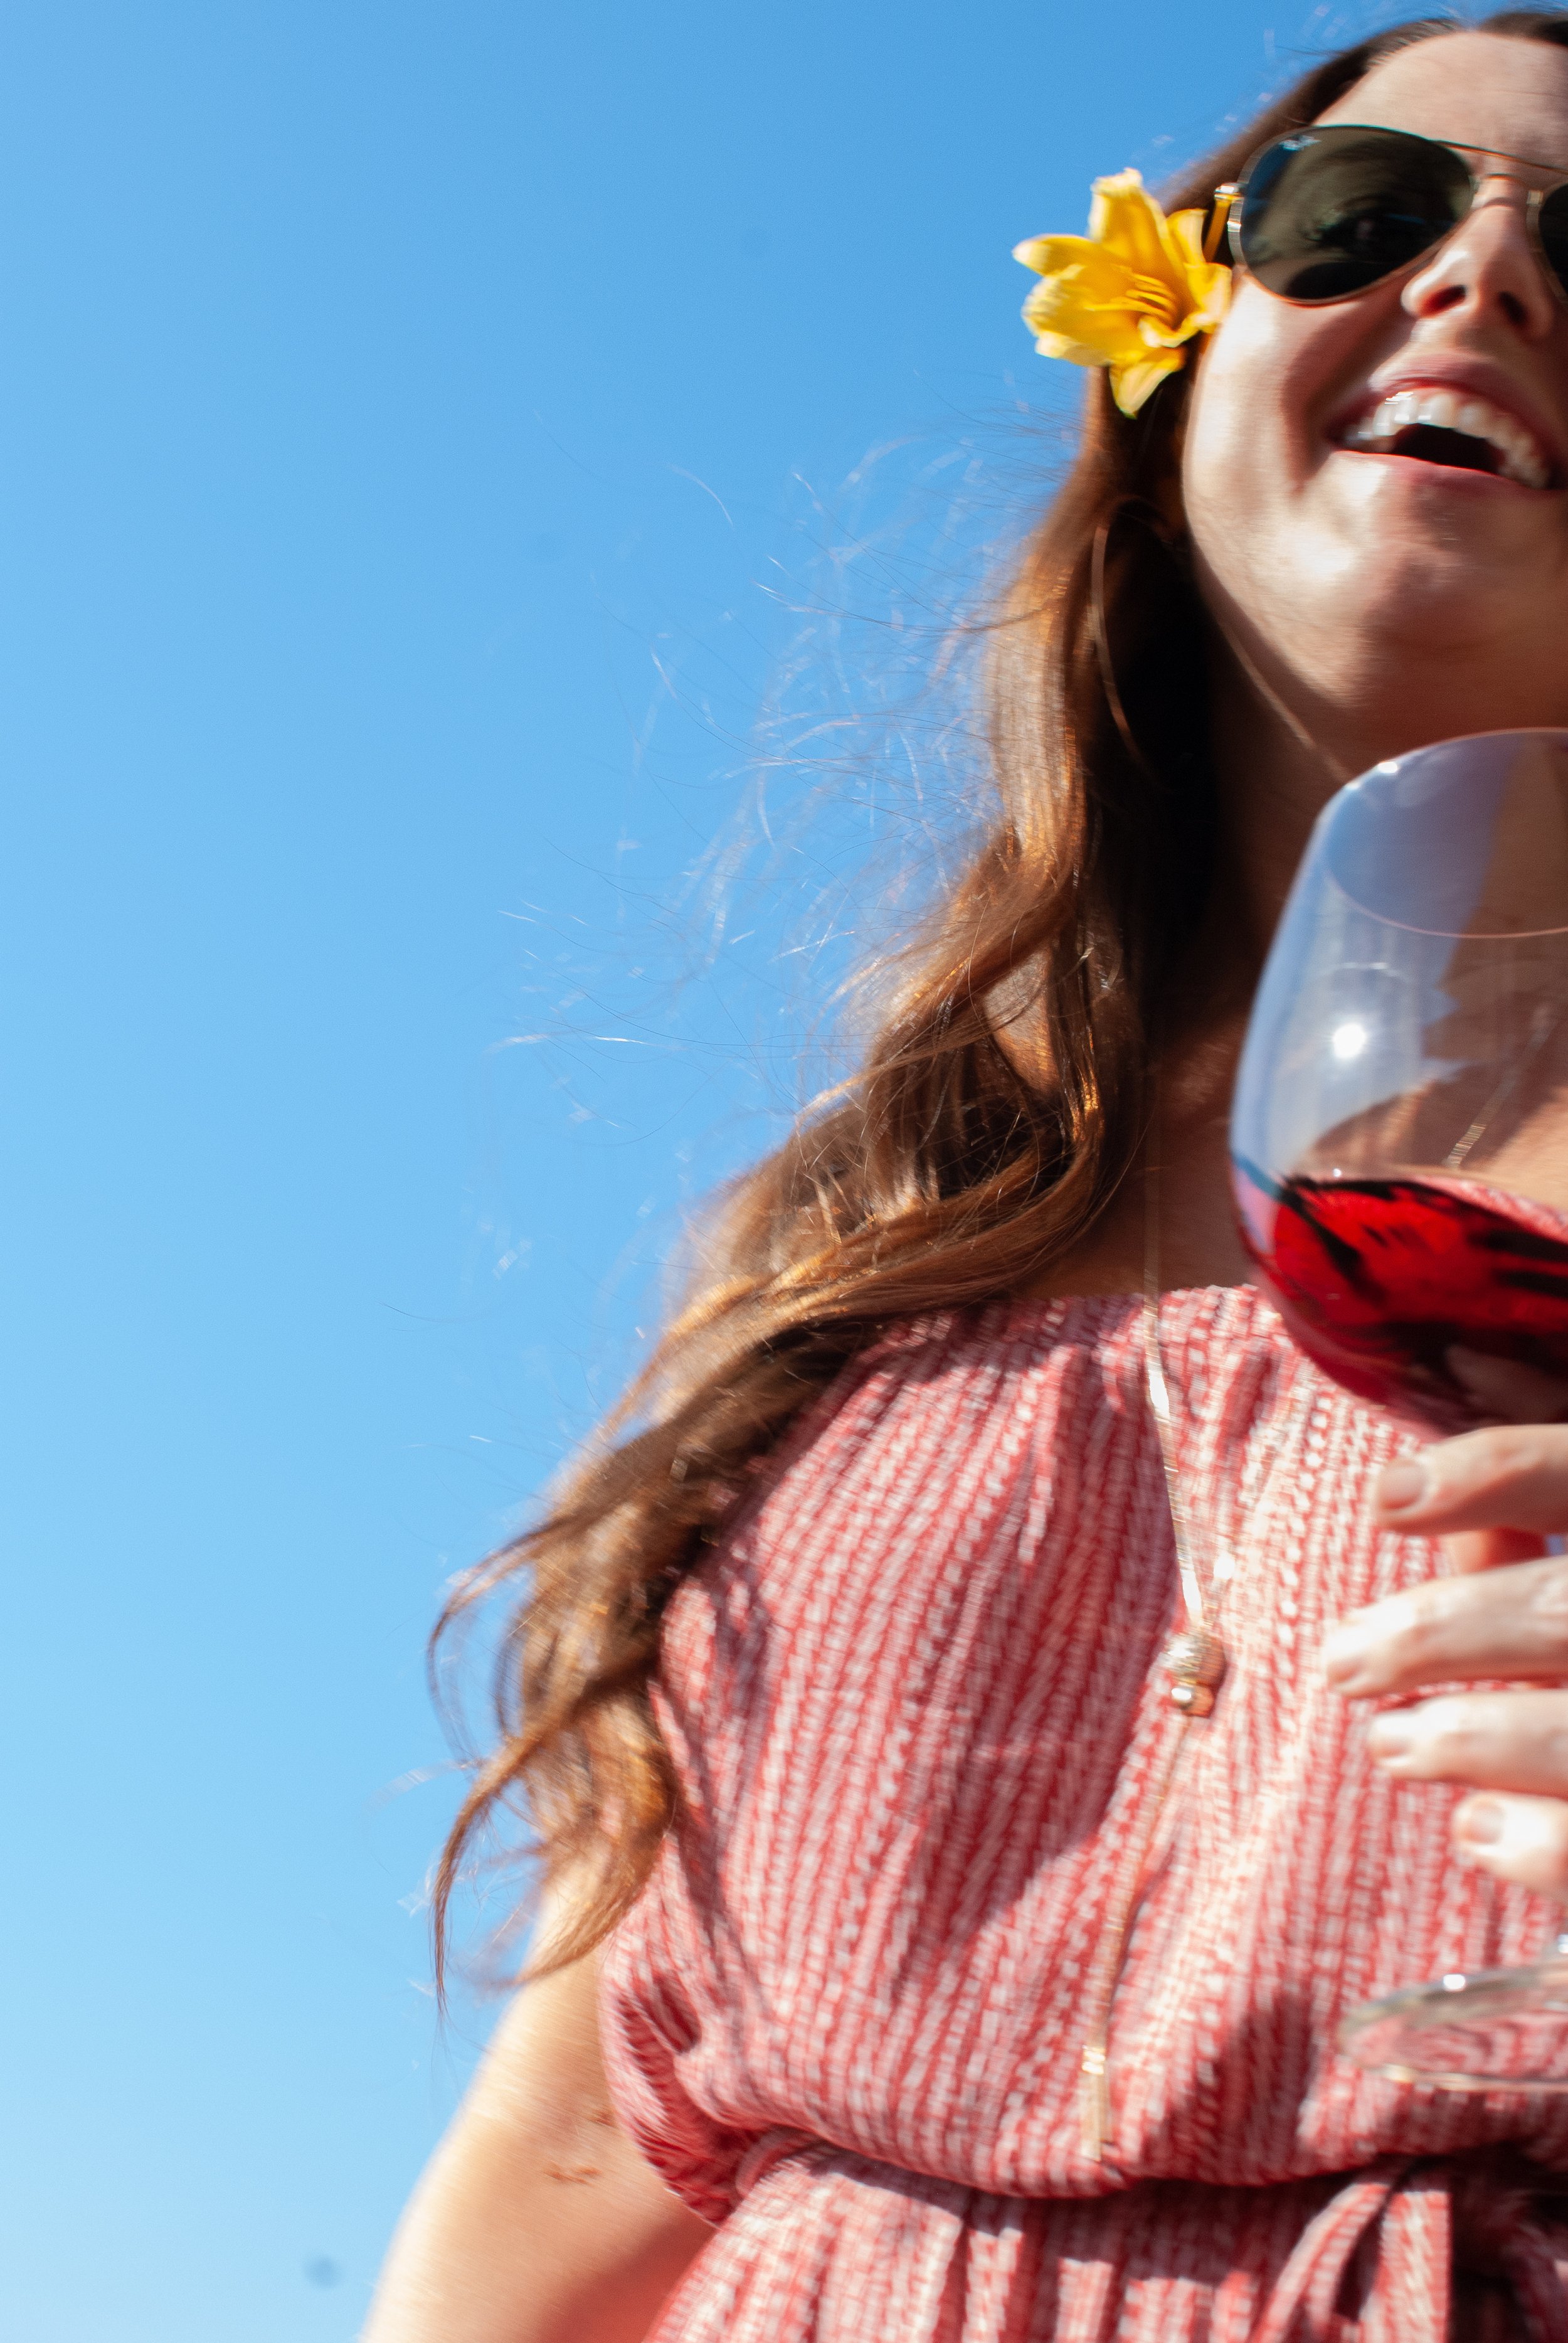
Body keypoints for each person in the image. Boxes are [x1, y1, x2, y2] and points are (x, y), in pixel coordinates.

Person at [364, 15, 1568, 2339]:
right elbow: (564, 2188)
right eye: (1367, 209)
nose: (1486, 280)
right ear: (1174, 346)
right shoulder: (866, 1260)